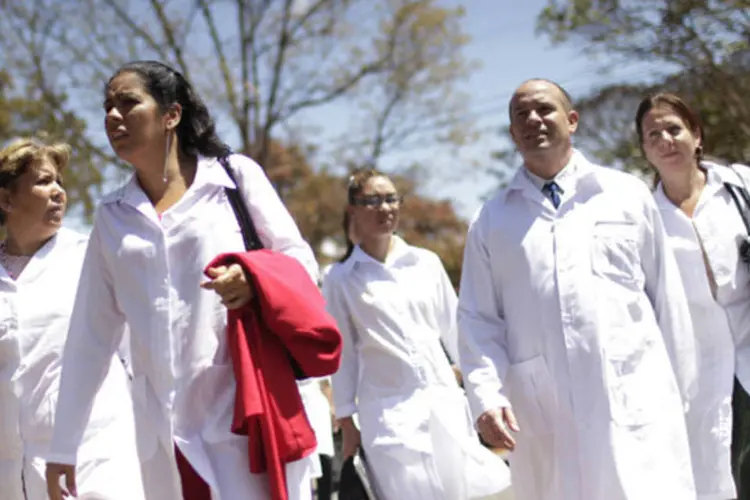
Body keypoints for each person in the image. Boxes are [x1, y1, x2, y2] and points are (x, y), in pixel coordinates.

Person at [44, 60, 319, 500]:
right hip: (164, 438)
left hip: (246, 417)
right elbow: (89, 337)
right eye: (107, 107)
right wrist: (63, 446)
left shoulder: (233, 178)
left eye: (128, 103)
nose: (112, 116)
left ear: (171, 114)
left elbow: (300, 263)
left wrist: (253, 279)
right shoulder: (112, 216)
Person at [457, 79, 698, 500]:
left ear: (572, 121)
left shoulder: (626, 195)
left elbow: (668, 300)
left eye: (544, 109)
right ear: (513, 134)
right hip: (544, 414)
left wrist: (685, 396)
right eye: (521, 115)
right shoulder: (491, 221)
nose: (533, 119)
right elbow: (478, 319)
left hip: (636, 402)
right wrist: (484, 396)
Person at [323, 169, 512, 500]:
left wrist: (482, 390)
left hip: (444, 407)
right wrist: (346, 420)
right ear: (352, 209)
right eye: (371, 201)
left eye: (390, 198)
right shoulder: (340, 278)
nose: (384, 208)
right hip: (387, 416)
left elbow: (458, 332)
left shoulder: (426, 263)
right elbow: (345, 354)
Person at [0, 137, 143, 499]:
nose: (58, 192)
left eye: (59, 182)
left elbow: (135, 353)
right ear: (6, 200)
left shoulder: (93, 258)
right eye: (43, 181)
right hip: (13, 473)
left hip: (96, 455)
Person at [635, 91, 750, 499]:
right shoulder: (643, 220)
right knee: (713, 477)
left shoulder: (740, 186)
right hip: (694, 373)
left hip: (747, 348)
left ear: (696, 135)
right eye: (653, 135)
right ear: (645, 151)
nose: (665, 140)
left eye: (674, 129)